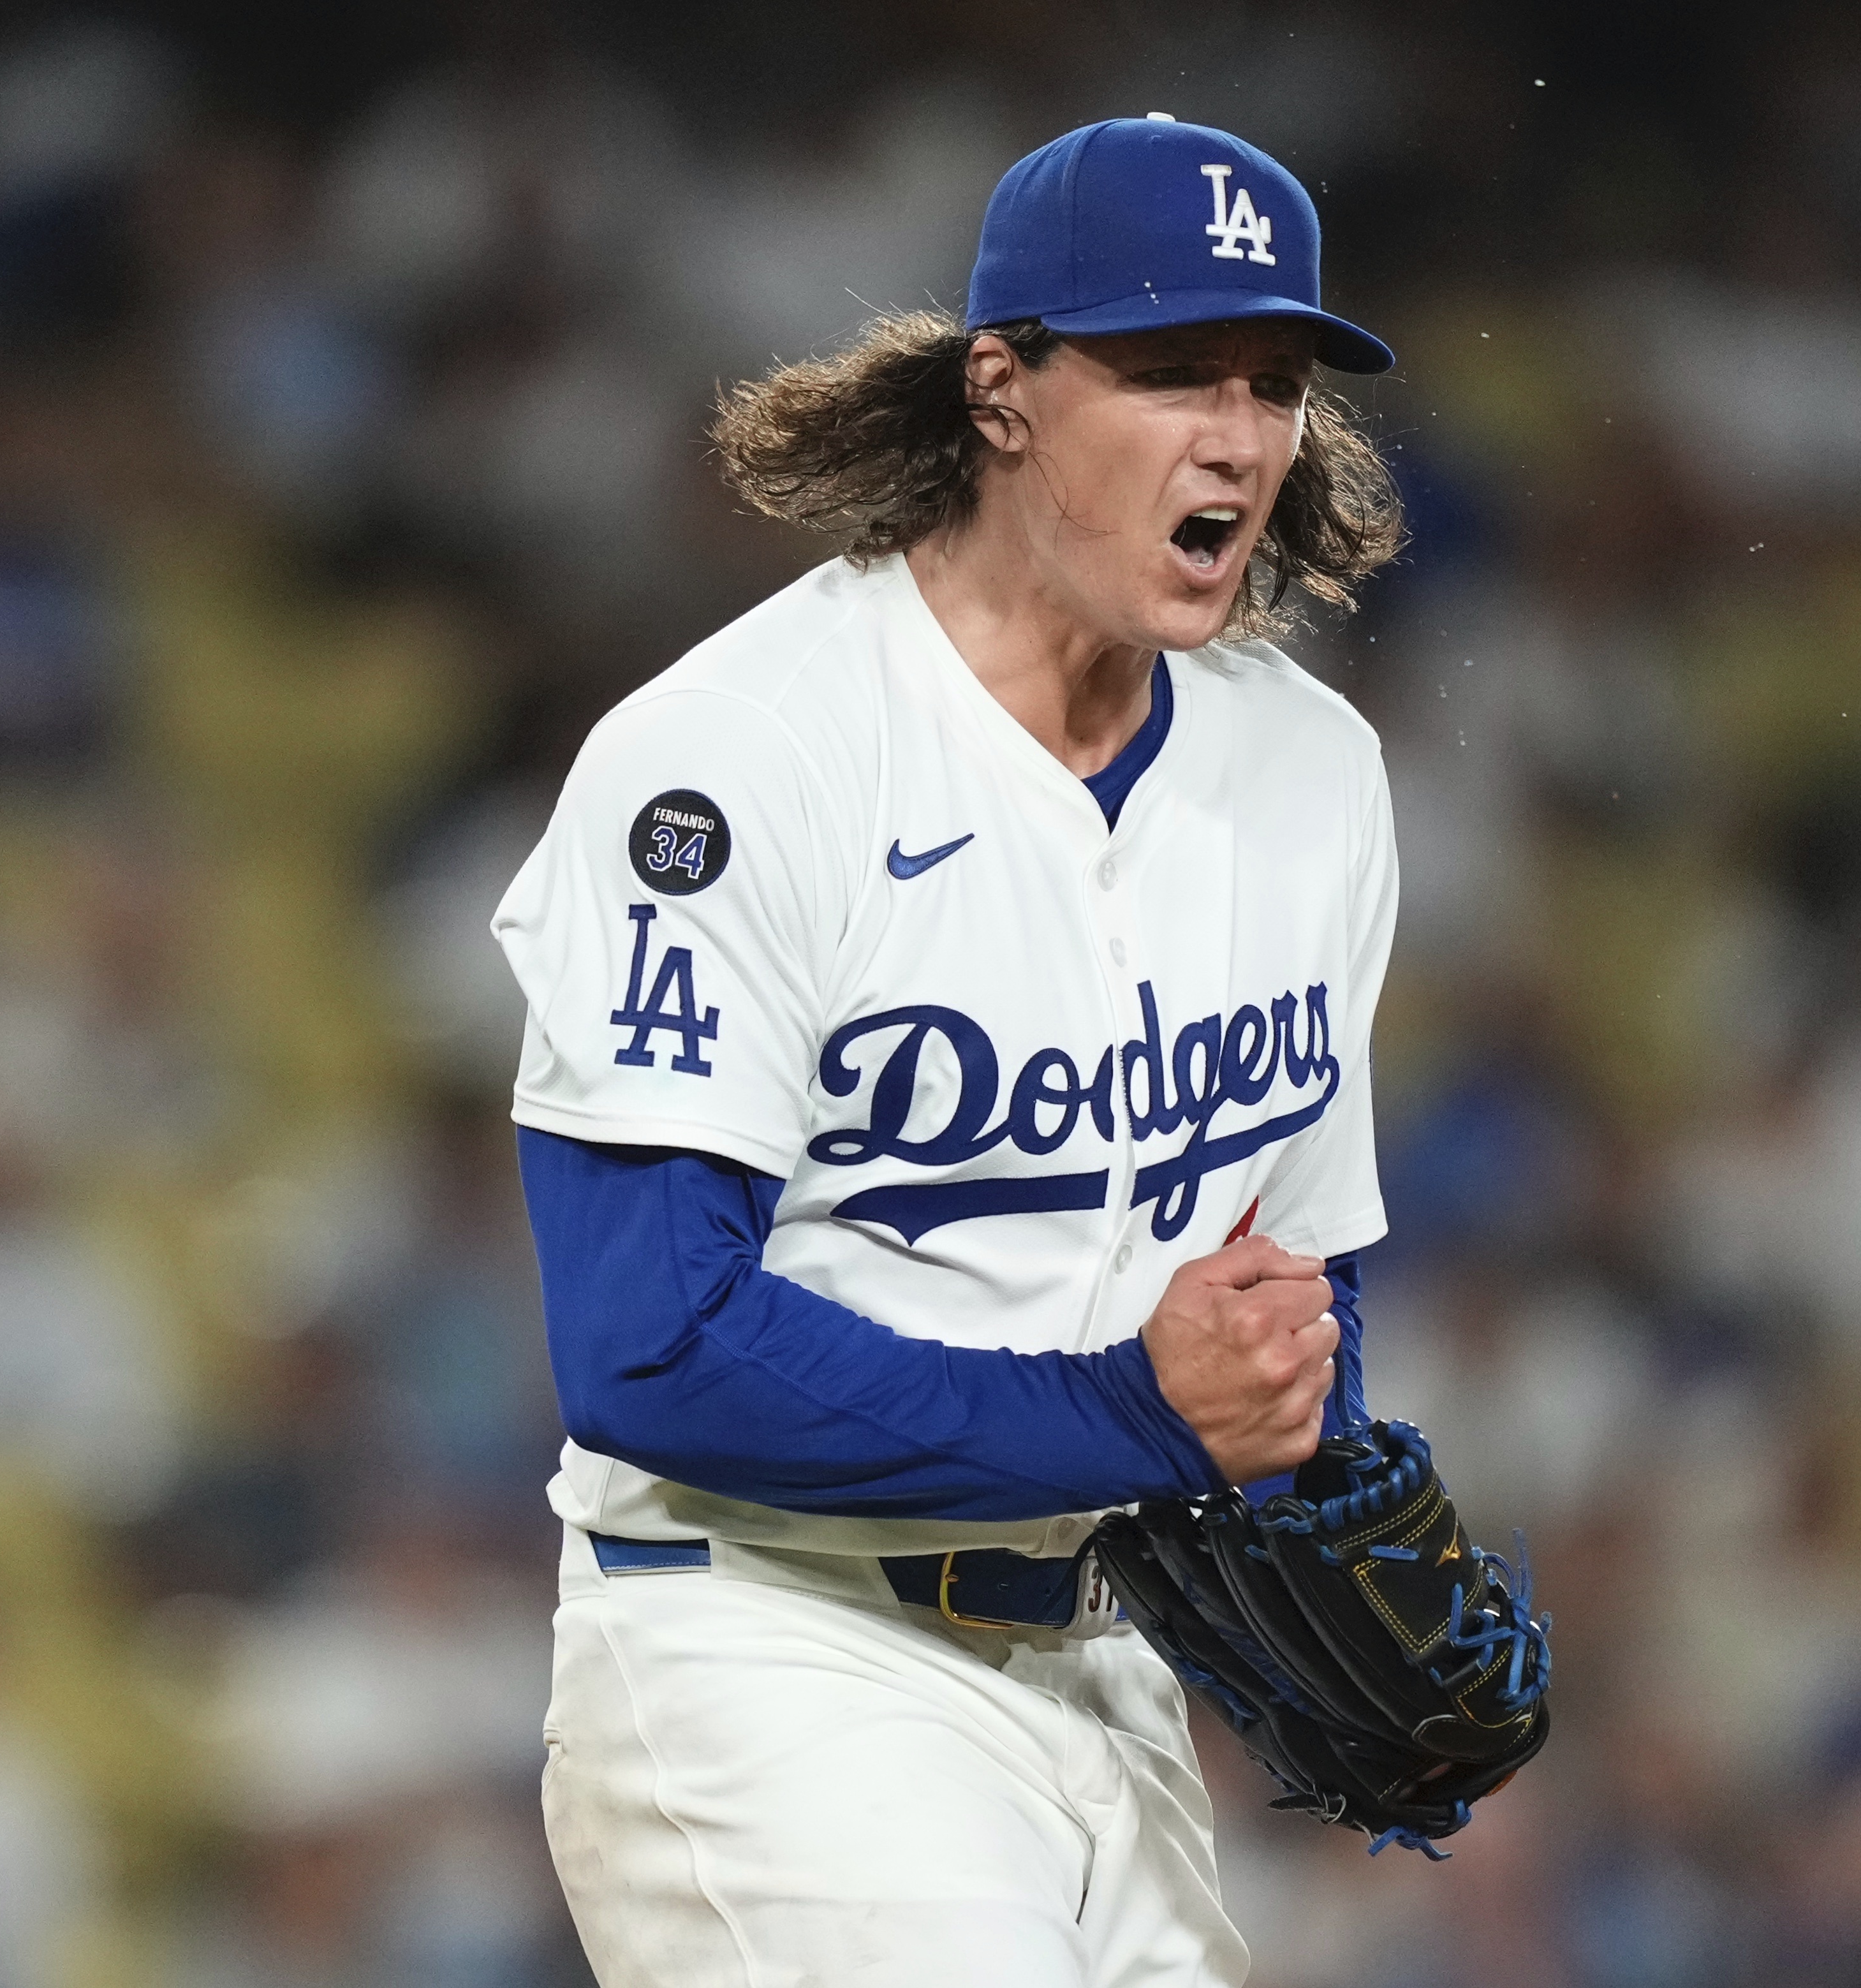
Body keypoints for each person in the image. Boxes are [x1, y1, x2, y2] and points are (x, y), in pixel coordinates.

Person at [489, 114, 1407, 1986]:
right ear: (1001, 391)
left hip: (1104, 1665)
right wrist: (1139, 1424)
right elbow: (645, 1346)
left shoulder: (1313, 770)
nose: (1235, 436)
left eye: (1273, 382)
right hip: (771, 1643)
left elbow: (1277, 1287)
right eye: (1165, 375)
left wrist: (1307, 1501)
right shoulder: (741, 762)